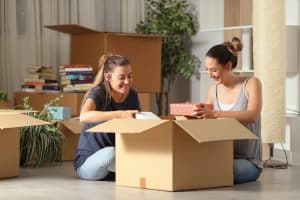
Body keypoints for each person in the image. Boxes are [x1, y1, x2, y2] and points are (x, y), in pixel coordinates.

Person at [193, 37, 263, 184]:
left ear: (228, 65)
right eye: (207, 70)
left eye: (214, 70)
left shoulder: (251, 83)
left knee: (210, 171)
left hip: (248, 161)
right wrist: (196, 113)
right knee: (194, 165)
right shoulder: (213, 90)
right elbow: (207, 122)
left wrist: (216, 114)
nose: (210, 75)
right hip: (220, 155)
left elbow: (252, 115)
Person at [74, 54, 140, 181]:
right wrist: (120, 114)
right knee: (112, 153)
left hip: (115, 164)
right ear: (107, 77)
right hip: (89, 164)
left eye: (129, 76)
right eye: (121, 77)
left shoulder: (132, 95)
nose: (127, 81)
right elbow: (84, 116)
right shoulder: (98, 93)